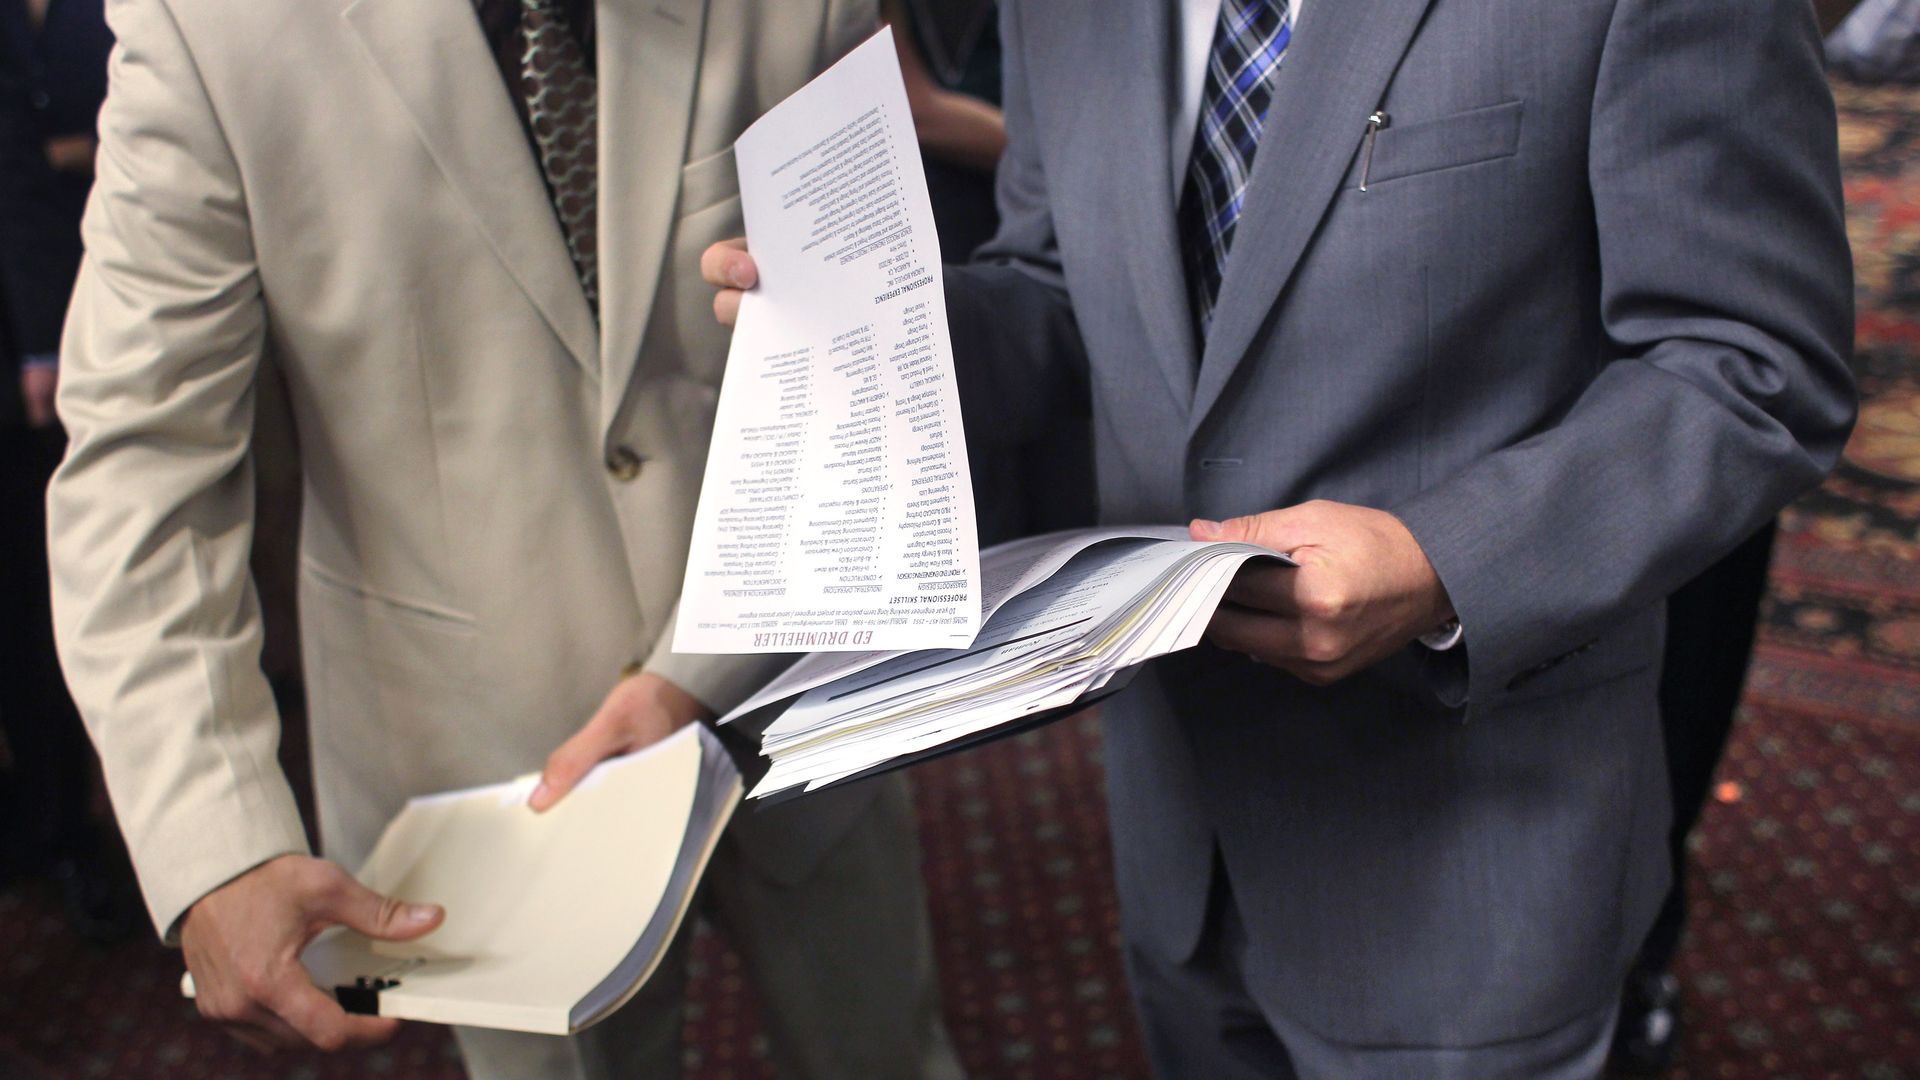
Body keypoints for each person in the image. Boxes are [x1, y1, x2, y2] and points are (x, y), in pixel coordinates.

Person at [703, 0, 1858, 1074]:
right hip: (1177, 829)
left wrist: (1445, 561)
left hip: (1470, 852)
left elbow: (1752, 367)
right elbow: (1064, 289)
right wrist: (868, 332)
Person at [48, 1, 958, 1076]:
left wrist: (701, 667)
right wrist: (214, 842)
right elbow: (140, 463)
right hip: (481, 761)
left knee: (884, 1049)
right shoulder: (208, 25)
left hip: (793, 676)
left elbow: (877, 327)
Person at [0, 0, 135, 942]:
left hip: (30, 359)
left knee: (29, 603)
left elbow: (17, 173)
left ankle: (69, 833)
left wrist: (43, 340)